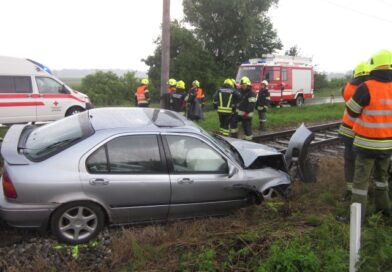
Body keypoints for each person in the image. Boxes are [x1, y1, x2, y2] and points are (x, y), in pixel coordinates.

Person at [345, 49, 392, 223]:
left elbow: (351, 110)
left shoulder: (367, 86)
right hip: (387, 145)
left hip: (366, 145)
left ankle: (357, 218)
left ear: (373, 65)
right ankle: (384, 210)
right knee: (382, 179)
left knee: (360, 184)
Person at [338, 62, 370, 200]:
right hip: (364, 132)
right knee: (364, 163)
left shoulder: (347, 87)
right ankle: (364, 190)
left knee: (350, 161)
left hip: (347, 130)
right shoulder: (369, 88)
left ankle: (350, 190)